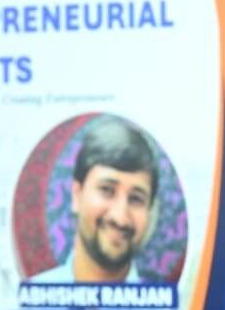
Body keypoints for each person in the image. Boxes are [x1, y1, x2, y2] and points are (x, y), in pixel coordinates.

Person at [29, 117, 158, 284]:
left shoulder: (172, 298)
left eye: (136, 199)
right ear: (77, 195)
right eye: (107, 190)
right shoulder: (30, 297)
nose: (120, 218)